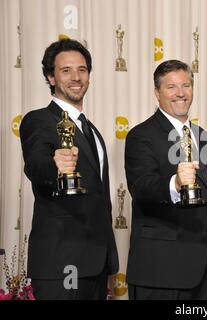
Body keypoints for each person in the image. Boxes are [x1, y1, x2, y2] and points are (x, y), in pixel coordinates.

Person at [19, 39, 119, 300]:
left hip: (95, 263)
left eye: (82, 70)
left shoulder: (92, 130)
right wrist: (55, 167)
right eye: (66, 71)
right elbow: (35, 164)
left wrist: (109, 260)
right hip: (61, 262)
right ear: (51, 77)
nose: (76, 77)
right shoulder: (38, 120)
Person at [124, 60, 207, 300]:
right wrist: (174, 184)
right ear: (157, 93)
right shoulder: (140, 135)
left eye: (186, 85)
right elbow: (141, 187)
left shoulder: (203, 136)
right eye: (171, 87)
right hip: (161, 272)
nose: (180, 93)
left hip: (203, 271)